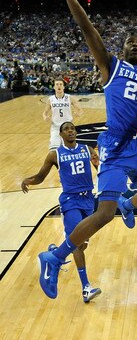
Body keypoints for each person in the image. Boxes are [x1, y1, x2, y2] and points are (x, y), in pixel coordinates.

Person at [36, 0, 137, 299]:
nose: (135, 44)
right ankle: (55, 256)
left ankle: (127, 201)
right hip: (117, 146)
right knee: (105, 213)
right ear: (121, 50)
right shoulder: (111, 66)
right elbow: (85, 25)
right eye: (130, 42)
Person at [21, 121, 101, 303]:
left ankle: (56, 251)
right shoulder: (54, 154)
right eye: (67, 129)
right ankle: (86, 287)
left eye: (73, 128)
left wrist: (99, 164)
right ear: (61, 134)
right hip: (70, 200)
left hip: (88, 199)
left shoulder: (87, 150)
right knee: (78, 243)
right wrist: (29, 180)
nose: (71, 131)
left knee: (81, 244)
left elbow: (99, 169)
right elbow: (41, 177)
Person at [43, 77, 83, 150]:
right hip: (56, 127)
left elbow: (80, 110)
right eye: (57, 84)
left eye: (61, 84)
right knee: (54, 151)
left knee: (69, 151)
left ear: (63, 87)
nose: (59, 86)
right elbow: (45, 112)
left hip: (68, 127)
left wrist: (78, 113)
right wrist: (45, 117)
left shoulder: (69, 98)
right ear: (54, 87)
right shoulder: (51, 99)